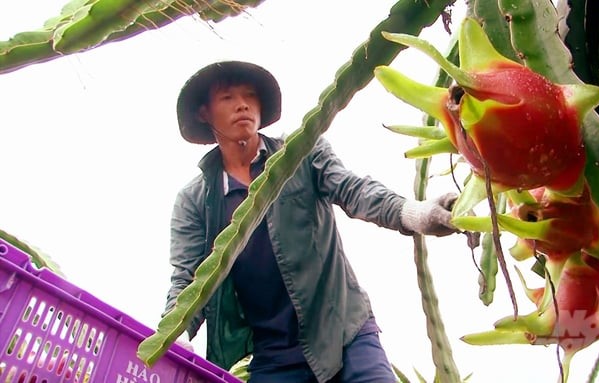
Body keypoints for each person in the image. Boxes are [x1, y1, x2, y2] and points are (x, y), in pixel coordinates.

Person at [164, 60, 459, 383]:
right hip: (272, 358)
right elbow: (188, 281)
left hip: (343, 332)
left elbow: (353, 190)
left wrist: (415, 213)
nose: (243, 105)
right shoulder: (195, 201)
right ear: (204, 113)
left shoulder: (301, 153)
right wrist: (173, 334)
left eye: (250, 95)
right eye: (227, 98)